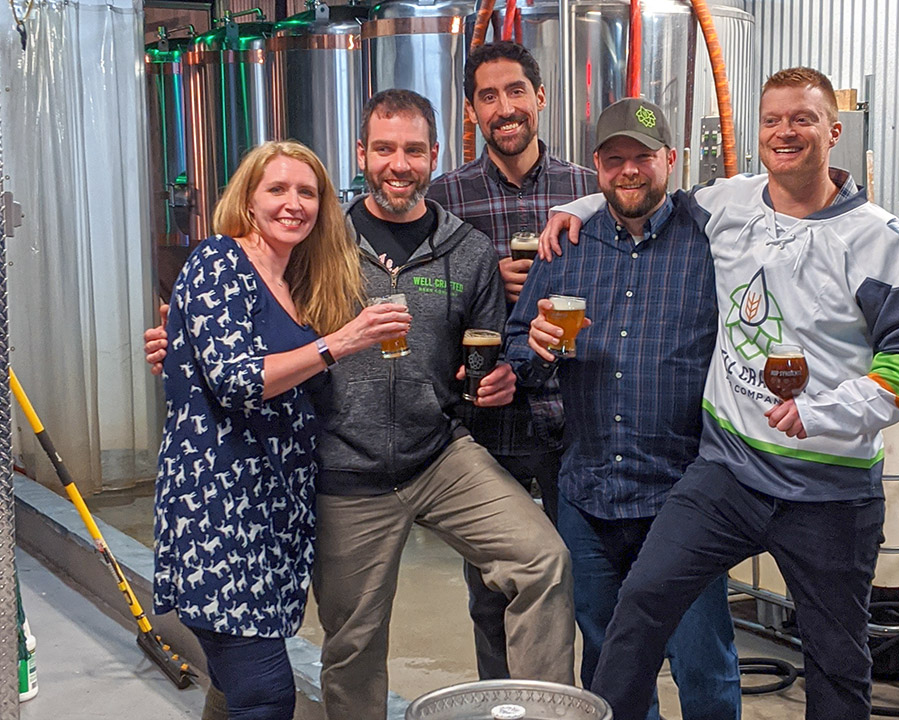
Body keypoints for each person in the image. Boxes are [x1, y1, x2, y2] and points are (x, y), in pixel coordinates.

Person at [145, 92, 575, 720]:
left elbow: (490, 350)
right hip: (342, 467)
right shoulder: (316, 244)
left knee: (542, 560)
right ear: (362, 155)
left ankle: (543, 714)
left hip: (440, 454)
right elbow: (242, 321)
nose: (397, 164)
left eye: (412, 150)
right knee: (353, 647)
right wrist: (176, 339)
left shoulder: (469, 250)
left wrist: (501, 376)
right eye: (383, 149)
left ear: (435, 156)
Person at [545, 68, 899, 720]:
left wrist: (825, 412)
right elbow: (648, 194)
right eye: (773, 120)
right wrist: (579, 205)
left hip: (831, 490)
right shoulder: (730, 202)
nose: (785, 131)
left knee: (836, 662)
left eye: (803, 119)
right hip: (727, 472)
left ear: (833, 131)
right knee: (641, 604)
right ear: (758, 132)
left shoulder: (881, 240)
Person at [153, 140, 410, 720]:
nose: (294, 203)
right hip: (219, 513)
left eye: (308, 192)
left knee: (240, 688)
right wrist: (341, 341)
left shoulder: (296, 284)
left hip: (273, 517)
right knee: (266, 694)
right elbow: (238, 380)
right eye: (278, 189)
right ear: (247, 200)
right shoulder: (219, 260)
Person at [505, 98, 741, 720]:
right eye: (615, 161)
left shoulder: (711, 238)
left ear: (671, 159)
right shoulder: (567, 248)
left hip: (684, 496)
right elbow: (515, 348)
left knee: (703, 665)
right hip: (588, 492)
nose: (629, 171)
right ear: (596, 167)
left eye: (643, 158)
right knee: (611, 665)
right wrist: (532, 349)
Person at [425, 40, 596, 681]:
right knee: (492, 592)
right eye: (489, 97)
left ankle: (580, 701)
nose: (505, 108)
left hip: (571, 413)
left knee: (585, 581)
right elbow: (425, 309)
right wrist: (484, 284)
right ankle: (503, 699)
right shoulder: (444, 197)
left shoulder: (587, 187)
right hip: (486, 419)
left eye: (516, 91)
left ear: (540, 97)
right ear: (472, 112)